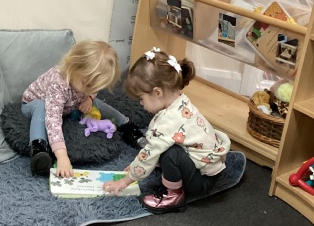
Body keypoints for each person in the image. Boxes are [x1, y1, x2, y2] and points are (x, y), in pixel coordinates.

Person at [102, 47, 231, 214]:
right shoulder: (181, 101)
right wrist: (137, 166)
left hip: (202, 181)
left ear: (157, 92)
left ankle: (173, 195)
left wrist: (126, 180)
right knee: (168, 147)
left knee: (171, 154)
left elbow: (150, 152)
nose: (141, 103)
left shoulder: (168, 121)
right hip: (209, 169)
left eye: (141, 98)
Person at [22, 40, 145, 177]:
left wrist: (90, 98)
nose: (91, 90)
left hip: (68, 105)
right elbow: (53, 120)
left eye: (95, 88)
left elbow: (92, 89)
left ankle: (127, 126)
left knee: (96, 103)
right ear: (74, 67)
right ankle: (39, 149)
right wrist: (62, 156)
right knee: (41, 107)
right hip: (34, 105)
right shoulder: (57, 83)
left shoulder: (85, 85)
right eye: (88, 86)